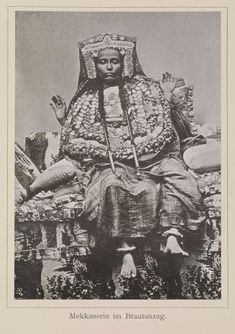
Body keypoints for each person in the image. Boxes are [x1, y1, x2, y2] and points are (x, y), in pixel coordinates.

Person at [50, 32, 203, 279]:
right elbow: (79, 139)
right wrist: (64, 120)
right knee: (111, 185)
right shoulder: (86, 97)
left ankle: (172, 235)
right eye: (103, 62)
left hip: (147, 159)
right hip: (108, 162)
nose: (109, 67)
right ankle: (126, 252)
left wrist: (165, 98)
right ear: (93, 64)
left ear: (125, 62)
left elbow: (163, 127)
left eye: (114, 61)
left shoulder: (143, 88)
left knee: (175, 179)